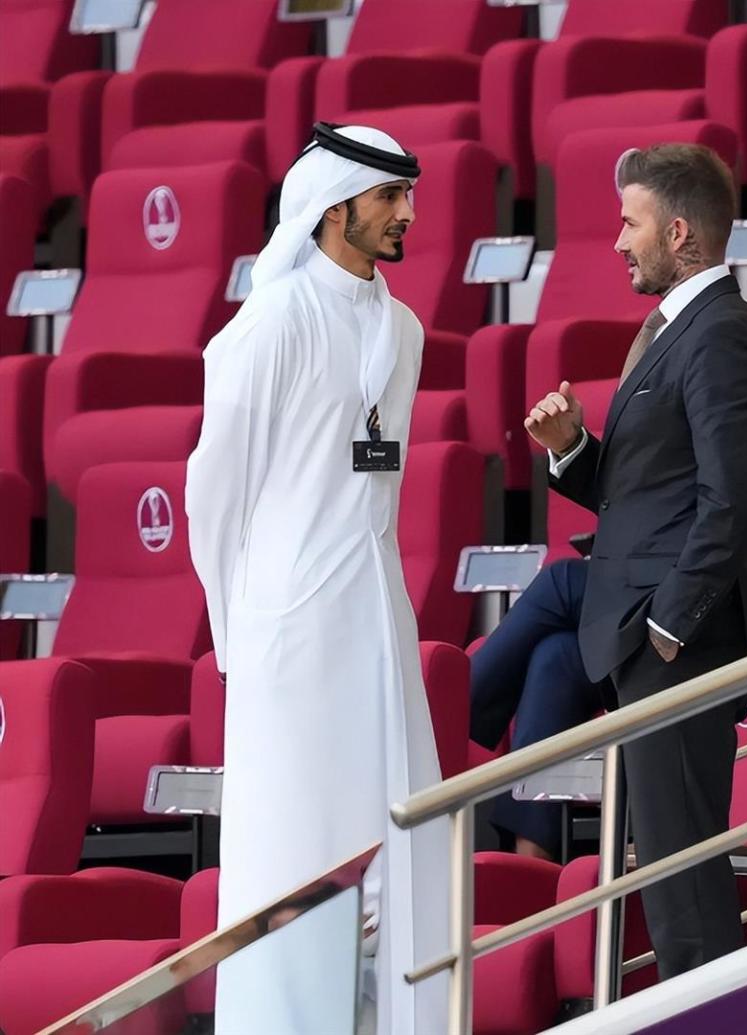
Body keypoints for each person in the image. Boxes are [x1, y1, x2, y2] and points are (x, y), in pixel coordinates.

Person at [185, 124, 447, 1034]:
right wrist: (241, 630)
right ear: (335, 207)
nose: (407, 213)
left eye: (409, 195)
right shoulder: (272, 323)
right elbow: (214, 494)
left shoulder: (405, 330)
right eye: (389, 197)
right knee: (292, 851)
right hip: (287, 632)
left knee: (403, 840)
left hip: (378, 618)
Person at [471, 305, 747, 863]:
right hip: (678, 624)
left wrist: (698, 576)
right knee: (557, 655)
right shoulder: (727, 461)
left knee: (564, 582)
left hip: (743, 629)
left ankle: (455, 718)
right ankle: (530, 862)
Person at [524, 143, 747, 980]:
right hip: (644, 644)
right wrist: (573, 448)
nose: (617, 241)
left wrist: (668, 625)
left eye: (629, 223)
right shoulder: (681, 330)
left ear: (678, 233)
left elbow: (729, 501)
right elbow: (647, 492)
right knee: (669, 877)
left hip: (673, 646)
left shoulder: (722, 335)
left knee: (685, 884)